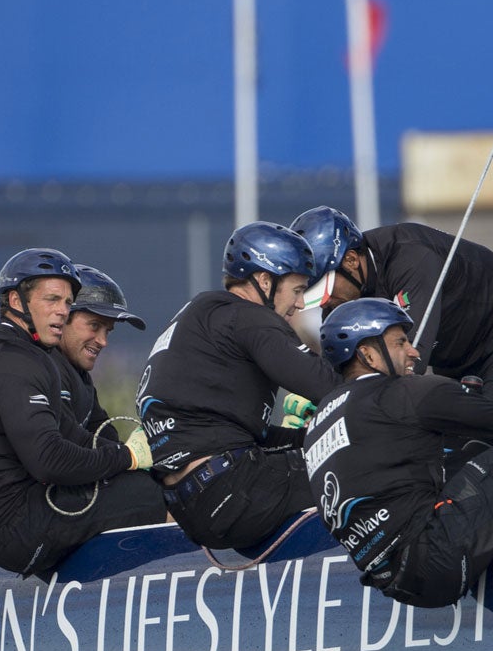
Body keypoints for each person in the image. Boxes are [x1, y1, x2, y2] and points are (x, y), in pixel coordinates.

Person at [302, 298, 493, 609]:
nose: (414, 351)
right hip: (437, 555)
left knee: (472, 454)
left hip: (397, 583)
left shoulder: (317, 426)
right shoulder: (404, 394)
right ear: (367, 354)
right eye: (400, 342)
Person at [0, 248, 161, 577]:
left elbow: (82, 439)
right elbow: (50, 459)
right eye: (53, 300)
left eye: (66, 303)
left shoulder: (9, 353)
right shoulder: (13, 358)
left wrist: (143, 455)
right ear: (16, 301)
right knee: (147, 494)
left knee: (143, 482)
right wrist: (129, 458)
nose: (61, 312)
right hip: (10, 532)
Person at [137, 222, 343, 553]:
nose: (302, 304)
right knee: (362, 459)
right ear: (265, 281)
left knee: (320, 445)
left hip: (189, 504)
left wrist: (312, 434)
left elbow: (230, 431)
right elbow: (327, 384)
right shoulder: (248, 317)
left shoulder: (202, 314)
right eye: (297, 289)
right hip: (230, 490)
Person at [290, 205, 493, 410]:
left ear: (350, 260)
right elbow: (342, 364)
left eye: (324, 292)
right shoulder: (344, 291)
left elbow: (411, 357)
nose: (324, 304)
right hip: (457, 360)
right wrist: (319, 401)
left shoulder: (412, 257)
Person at [55, 265, 147, 436]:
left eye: (107, 331)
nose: (103, 341)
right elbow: (66, 447)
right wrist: (129, 455)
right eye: (94, 325)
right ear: (62, 316)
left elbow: (104, 435)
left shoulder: (78, 374)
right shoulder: (41, 367)